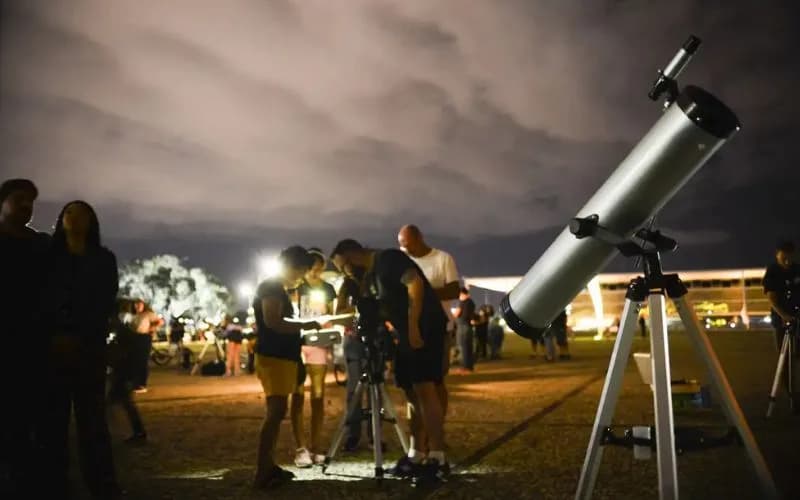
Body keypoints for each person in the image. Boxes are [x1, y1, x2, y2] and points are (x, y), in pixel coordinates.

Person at [331, 239, 450, 484]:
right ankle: (416, 453)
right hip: (404, 333)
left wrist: (414, 325)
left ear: (352, 255)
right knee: (411, 391)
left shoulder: (388, 259)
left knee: (425, 389)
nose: (345, 272)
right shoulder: (371, 276)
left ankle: (438, 458)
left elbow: (414, 284)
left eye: (343, 266)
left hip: (424, 327)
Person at [40, 201, 122, 499]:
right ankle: (56, 483)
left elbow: (105, 300)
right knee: (54, 420)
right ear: (61, 220)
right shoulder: (49, 257)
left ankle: (102, 484)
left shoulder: (103, 259)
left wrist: (86, 333)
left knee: (93, 422)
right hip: (54, 348)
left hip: (89, 348)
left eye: (82, 213)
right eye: (69, 213)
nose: (75, 219)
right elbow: (43, 299)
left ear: (92, 221)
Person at [252, 246, 324, 490]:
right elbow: (273, 321)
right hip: (275, 357)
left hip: (282, 357)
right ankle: (263, 469)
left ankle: (268, 466)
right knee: (275, 413)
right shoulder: (271, 287)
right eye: (300, 271)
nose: (301, 277)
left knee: (277, 411)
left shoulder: (276, 287)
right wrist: (305, 325)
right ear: (291, 266)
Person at [0, 179, 50, 496]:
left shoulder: (41, 245)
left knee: (33, 416)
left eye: (30, 201)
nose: (26, 207)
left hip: (35, 345)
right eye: (19, 199)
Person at [397, 224, 460, 465]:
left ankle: (436, 434)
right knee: (414, 387)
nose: (405, 249)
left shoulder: (442, 259)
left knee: (436, 381)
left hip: (438, 328)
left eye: (408, 244)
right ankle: (421, 437)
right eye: (401, 245)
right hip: (411, 329)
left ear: (419, 239)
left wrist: (421, 293)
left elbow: (454, 289)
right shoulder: (404, 263)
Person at [291, 248, 337, 467]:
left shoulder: (328, 289)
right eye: (312, 268)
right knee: (297, 395)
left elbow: (332, 314)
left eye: (320, 268)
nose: (316, 272)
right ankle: (301, 448)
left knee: (318, 397)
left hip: (319, 342)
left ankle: (316, 446)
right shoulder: (297, 288)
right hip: (299, 343)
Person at [107, 301, 147, 445]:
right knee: (120, 403)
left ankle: (135, 432)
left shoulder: (123, 332)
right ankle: (135, 431)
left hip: (123, 372)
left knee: (123, 403)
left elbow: (126, 354)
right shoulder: (121, 330)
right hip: (122, 372)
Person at [763, 240, 800, 351]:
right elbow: (772, 298)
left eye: (790, 258)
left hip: (797, 315)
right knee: (783, 352)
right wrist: (784, 316)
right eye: (784, 258)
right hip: (780, 317)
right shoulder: (772, 272)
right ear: (777, 255)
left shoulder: (797, 269)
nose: (787, 262)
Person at [130, 300, 163, 392]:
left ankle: (142, 384)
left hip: (144, 337)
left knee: (142, 361)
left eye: (140, 305)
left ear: (143, 305)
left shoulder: (148, 314)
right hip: (135, 338)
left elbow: (160, 321)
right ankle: (135, 383)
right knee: (135, 361)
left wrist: (151, 328)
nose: (137, 306)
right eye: (136, 304)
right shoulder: (135, 316)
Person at [453, 287, 476, 374]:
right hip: (468, 326)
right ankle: (469, 367)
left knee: (463, 348)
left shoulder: (463, 302)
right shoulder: (471, 302)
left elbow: (456, 314)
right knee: (468, 348)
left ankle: (465, 368)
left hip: (462, 326)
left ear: (461, 293)